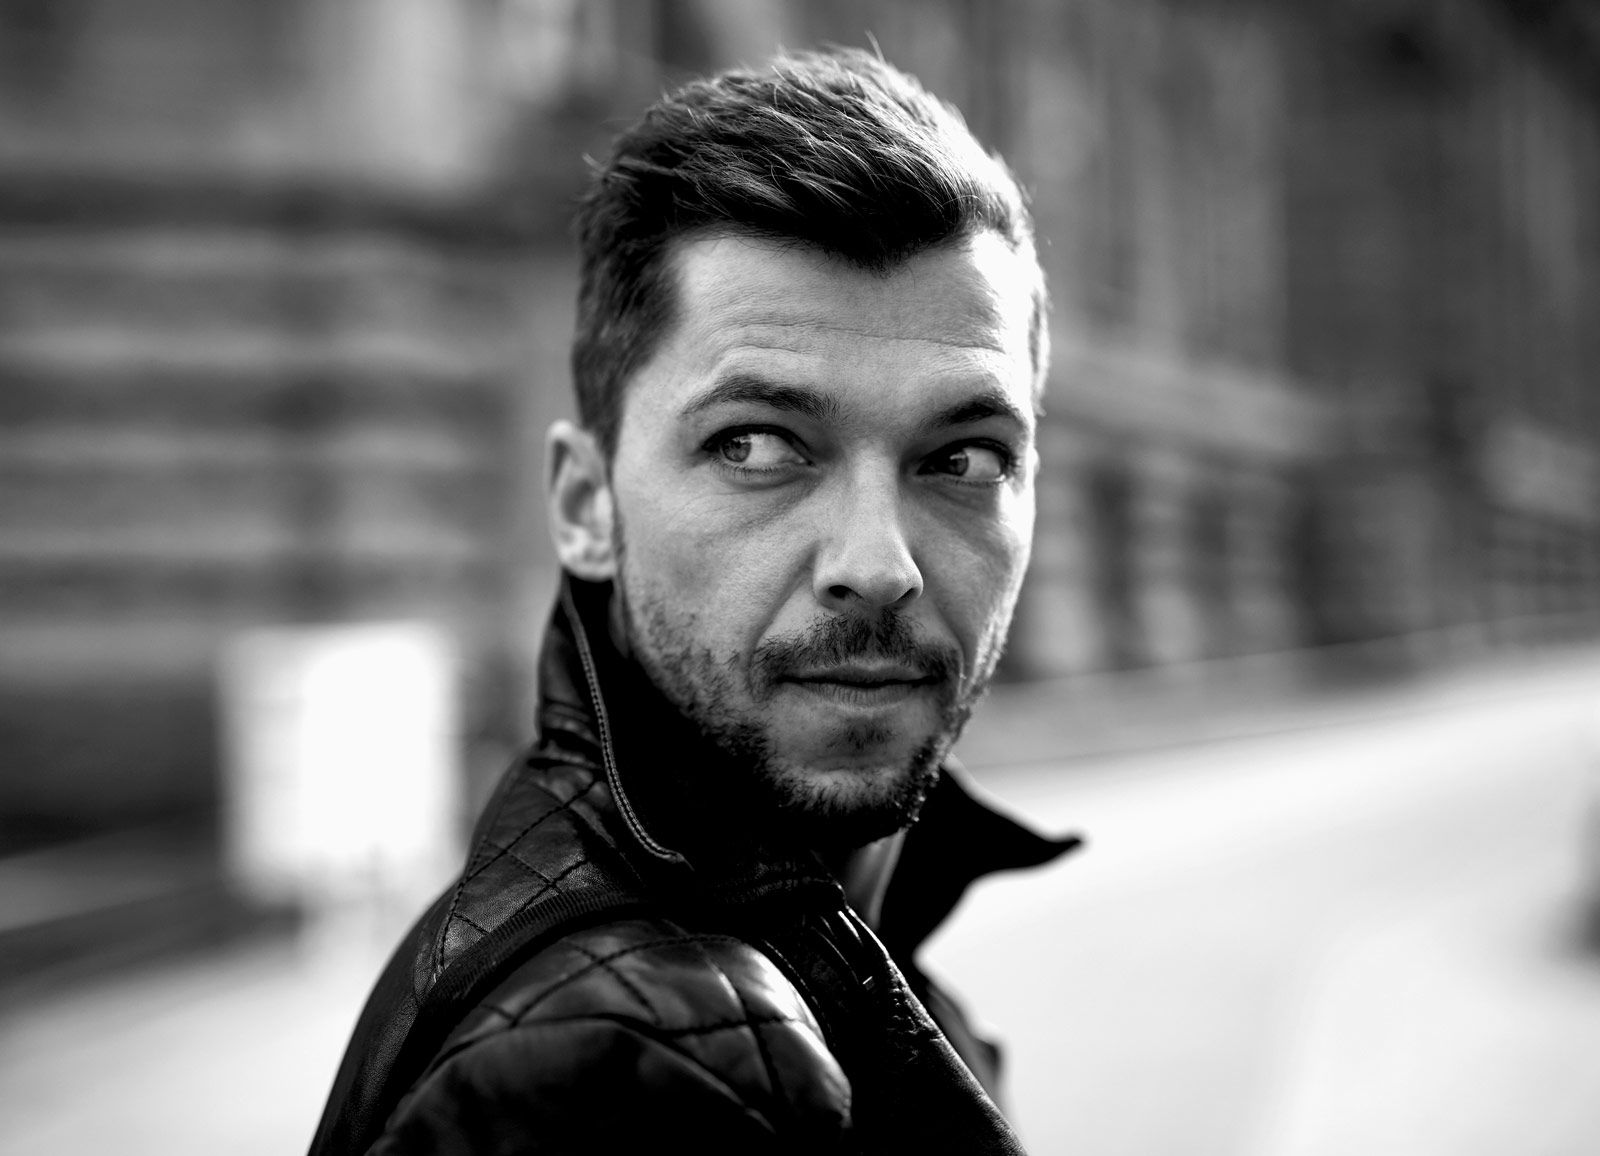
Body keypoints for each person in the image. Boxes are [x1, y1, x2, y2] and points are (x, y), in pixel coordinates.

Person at [310, 47, 1079, 1156]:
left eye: (962, 458)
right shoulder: (627, 1074)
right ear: (584, 505)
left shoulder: (802, 937)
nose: (879, 566)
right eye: (756, 445)